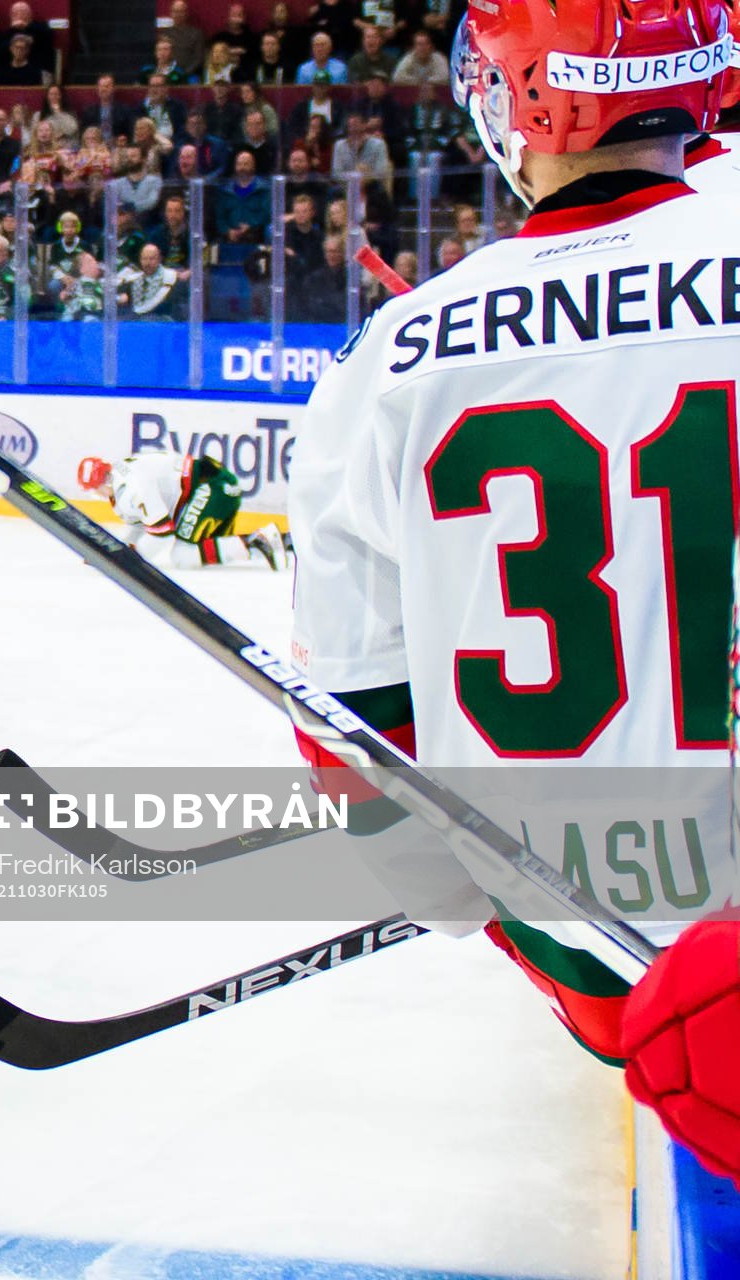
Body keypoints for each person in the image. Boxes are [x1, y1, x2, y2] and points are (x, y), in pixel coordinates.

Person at [289, 0, 740, 1189]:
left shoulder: (390, 356)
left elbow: (351, 736)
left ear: (516, 97)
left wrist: (478, 901)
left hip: (598, 954)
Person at [83, 450, 286, 567]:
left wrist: (129, 559)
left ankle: (256, 541)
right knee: (199, 550)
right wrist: (116, 550)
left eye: (94, 489)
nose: (96, 494)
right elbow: (140, 524)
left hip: (213, 486)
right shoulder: (121, 480)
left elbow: (163, 534)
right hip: (209, 485)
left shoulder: (132, 487)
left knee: (183, 556)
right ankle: (278, 542)